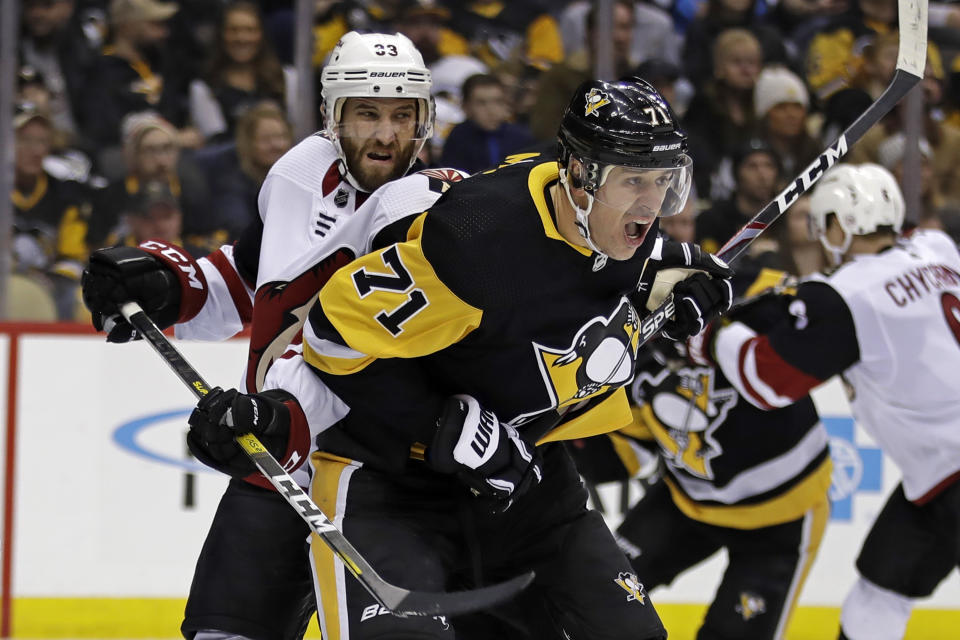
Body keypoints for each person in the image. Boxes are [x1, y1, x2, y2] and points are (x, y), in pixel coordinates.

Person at [183, 77, 734, 639]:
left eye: (664, 183)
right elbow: (331, 333)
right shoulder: (478, 241)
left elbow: (626, 265)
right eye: (635, 181)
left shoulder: (615, 224)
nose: (652, 205)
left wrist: (680, 277)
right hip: (394, 486)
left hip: (529, 486)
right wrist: (441, 423)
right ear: (579, 176)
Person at [81, 31, 441, 640]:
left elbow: (399, 370)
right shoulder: (299, 174)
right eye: (368, 114)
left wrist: (285, 417)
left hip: (378, 488)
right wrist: (173, 286)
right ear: (333, 116)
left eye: (402, 116)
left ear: (423, 121)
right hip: (272, 470)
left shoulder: (432, 216)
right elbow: (249, 282)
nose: (386, 135)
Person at [684, 163, 960, 640]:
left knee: (879, 599)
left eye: (825, 222)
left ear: (842, 224)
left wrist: (708, 339)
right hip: (937, 475)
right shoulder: (938, 248)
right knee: (877, 594)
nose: (821, 235)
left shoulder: (849, 297)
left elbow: (766, 380)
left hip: (948, 470)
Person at [569, 267, 831, 640]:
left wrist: (724, 322)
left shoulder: (732, 291)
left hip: (781, 519)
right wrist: (569, 431)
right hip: (685, 502)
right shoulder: (620, 353)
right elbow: (625, 456)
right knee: (596, 596)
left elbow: (806, 306)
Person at [188, 1, 296, 143]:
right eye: (233, 30)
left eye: (250, 30)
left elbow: (299, 131)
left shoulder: (288, 78)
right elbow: (216, 144)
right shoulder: (204, 88)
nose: (242, 38)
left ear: (262, 35)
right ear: (221, 35)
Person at [439, 73, 535, 174]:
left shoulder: (521, 137)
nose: (491, 110)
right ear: (466, 107)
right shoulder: (458, 137)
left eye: (497, 101)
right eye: (481, 103)